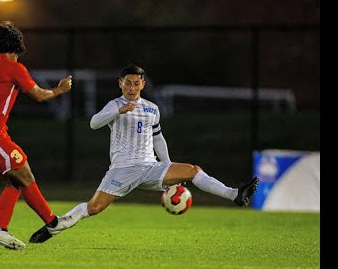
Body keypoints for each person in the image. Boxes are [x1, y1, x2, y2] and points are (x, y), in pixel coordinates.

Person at [29, 64, 259, 244]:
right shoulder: (115, 104)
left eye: (136, 83)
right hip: (123, 168)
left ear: (142, 84)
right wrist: (119, 111)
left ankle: (234, 194)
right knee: (94, 208)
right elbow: (93, 123)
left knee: (193, 170)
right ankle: (57, 225)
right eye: (127, 83)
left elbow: (158, 138)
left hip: (150, 167)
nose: (131, 87)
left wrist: (167, 167)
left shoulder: (152, 108)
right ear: (120, 84)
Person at [0, 20, 75, 250]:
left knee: (14, 180)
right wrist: (60, 89)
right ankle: (52, 222)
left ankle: (2, 229)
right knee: (24, 171)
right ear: (16, 46)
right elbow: (40, 95)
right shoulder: (13, 67)